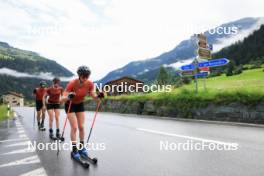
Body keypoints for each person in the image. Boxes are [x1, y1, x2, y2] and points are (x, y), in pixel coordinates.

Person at [61, 66, 104, 160]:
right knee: (74, 127)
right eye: (83, 76)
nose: (85, 78)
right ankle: (74, 149)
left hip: (80, 104)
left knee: (81, 126)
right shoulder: (72, 83)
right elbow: (62, 99)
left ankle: (81, 147)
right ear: (79, 75)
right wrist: (69, 96)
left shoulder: (89, 84)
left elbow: (94, 96)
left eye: (87, 76)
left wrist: (99, 96)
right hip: (70, 105)